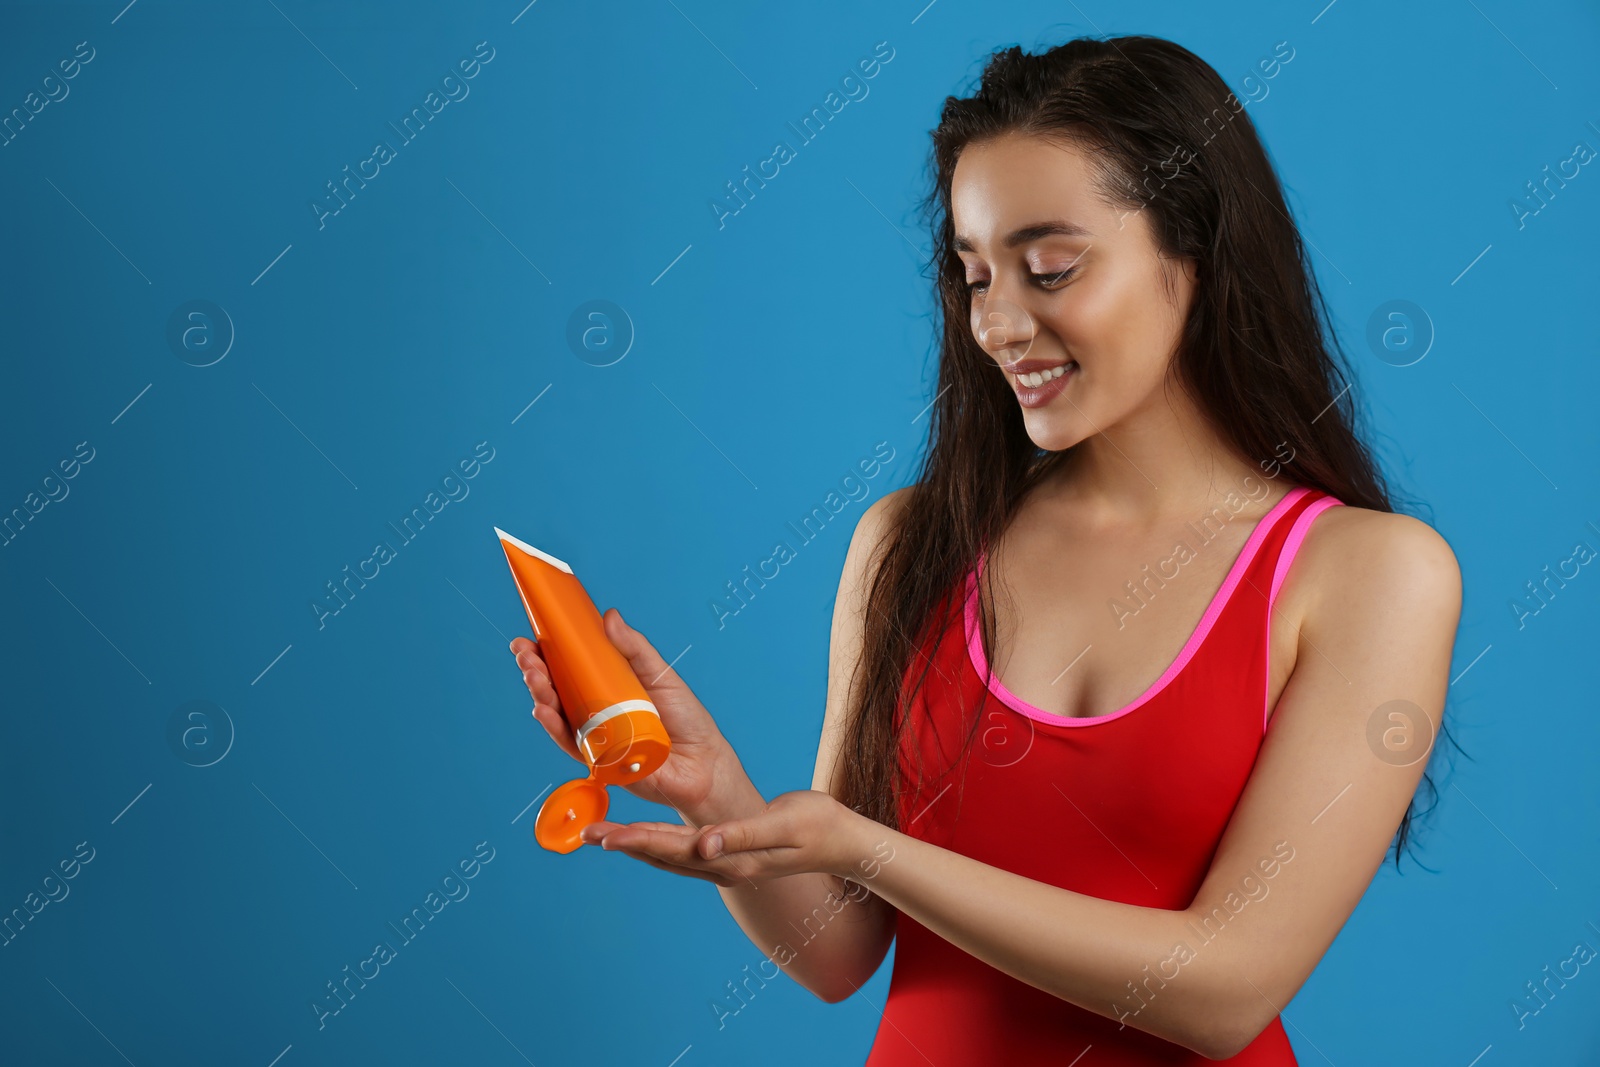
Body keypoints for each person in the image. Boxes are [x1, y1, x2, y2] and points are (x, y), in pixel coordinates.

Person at [508, 33, 1463, 1064]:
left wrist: (871, 849)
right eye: (973, 274)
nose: (997, 321)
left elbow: (1225, 987)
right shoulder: (909, 543)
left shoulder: (1370, 571)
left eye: (1049, 268)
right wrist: (717, 795)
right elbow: (839, 953)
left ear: (1195, 252)